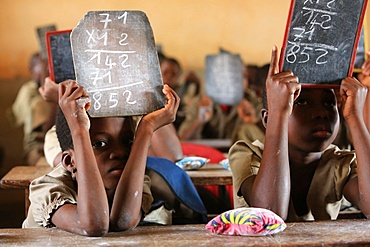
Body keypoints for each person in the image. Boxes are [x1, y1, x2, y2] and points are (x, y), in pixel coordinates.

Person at [23, 80, 204, 236]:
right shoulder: (49, 189)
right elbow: (93, 225)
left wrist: (146, 128)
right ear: (70, 162)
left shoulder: (139, 181)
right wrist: (79, 131)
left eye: (127, 141)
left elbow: (122, 222)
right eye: (100, 144)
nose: (119, 152)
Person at [229, 45, 370, 221]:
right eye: (301, 102)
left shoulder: (340, 162)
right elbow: (271, 216)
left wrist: (355, 116)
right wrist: (278, 115)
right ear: (267, 119)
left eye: (329, 104)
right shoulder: (247, 154)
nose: (321, 113)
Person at [7, 52, 53, 166]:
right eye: (44, 66)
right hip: (37, 147)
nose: (48, 70)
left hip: (55, 144)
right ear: (32, 70)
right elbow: (46, 130)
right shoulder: (29, 91)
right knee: (46, 167)